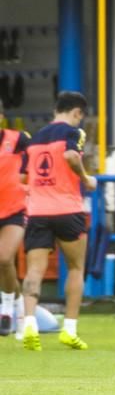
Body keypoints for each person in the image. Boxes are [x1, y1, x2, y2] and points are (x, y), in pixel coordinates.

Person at [22, 91, 97, 351]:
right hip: (68, 209)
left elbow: (23, 178)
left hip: (38, 211)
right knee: (76, 268)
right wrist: (86, 180)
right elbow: (71, 156)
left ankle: (29, 324)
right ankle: (70, 329)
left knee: (34, 271)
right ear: (77, 112)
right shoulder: (73, 133)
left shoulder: (34, 138)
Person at [0, 98, 31, 339]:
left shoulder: (18, 139)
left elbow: (37, 159)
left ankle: (6, 309)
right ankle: (21, 309)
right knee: (4, 265)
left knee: (4, 258)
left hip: (15, 209)